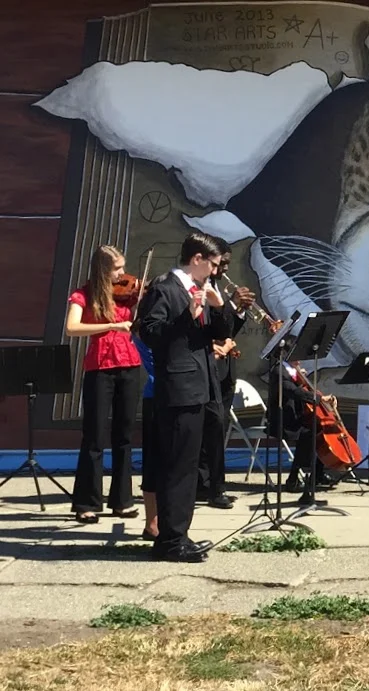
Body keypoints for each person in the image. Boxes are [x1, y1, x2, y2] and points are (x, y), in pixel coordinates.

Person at [136, 232, 230, 562]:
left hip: (200, 387)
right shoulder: (165, 287)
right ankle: (171, 542)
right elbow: (149, 332)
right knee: (177, 467)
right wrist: (184, 317)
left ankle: (178, 536)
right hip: (178, 390)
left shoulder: (202, 289)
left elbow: (220, 333)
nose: (217, 272)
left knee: (189, 467)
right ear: (197, 260)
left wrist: (219, 309)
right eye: (214, 265)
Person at [65, 246, 144, 525]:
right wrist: (111, 326)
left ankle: (122, 501)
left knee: (124, 436)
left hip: (129, 365)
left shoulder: (126, 294)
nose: (123, 274)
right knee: (94, 437)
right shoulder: (83, 294)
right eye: (117, 269)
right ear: (102, 270)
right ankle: (86, 503)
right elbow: (72, 328)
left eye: (123, 268)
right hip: (100, 367)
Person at [196, 240, 254, 509]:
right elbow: (213, 329)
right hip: (209, 368)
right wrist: (231, 305)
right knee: (211, 432)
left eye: (228, 264)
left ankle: (208, 485)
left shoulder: (217, 287)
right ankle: (211, 488)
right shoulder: (199, 289)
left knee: (216, 431)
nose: (225, 269)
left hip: (225, 369)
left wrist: (239, 310)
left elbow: (227, 332)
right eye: (221, 263)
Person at [269, 358, 335, 501]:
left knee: (320, 427)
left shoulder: (293, 372)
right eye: (297, 357)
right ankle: (293, 479)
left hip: (297, 415)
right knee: (309, 433)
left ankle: (317, 474)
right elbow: (293, 392)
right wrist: (319, 398)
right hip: (283, 419)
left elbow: (301, 391)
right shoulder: (278, 371)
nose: (299, 361)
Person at [134, 335, 159, 540]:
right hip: (157, 396)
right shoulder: (148, 327)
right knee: (153, 463)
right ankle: (152, 523)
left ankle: (162, 521)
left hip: (179, 395)